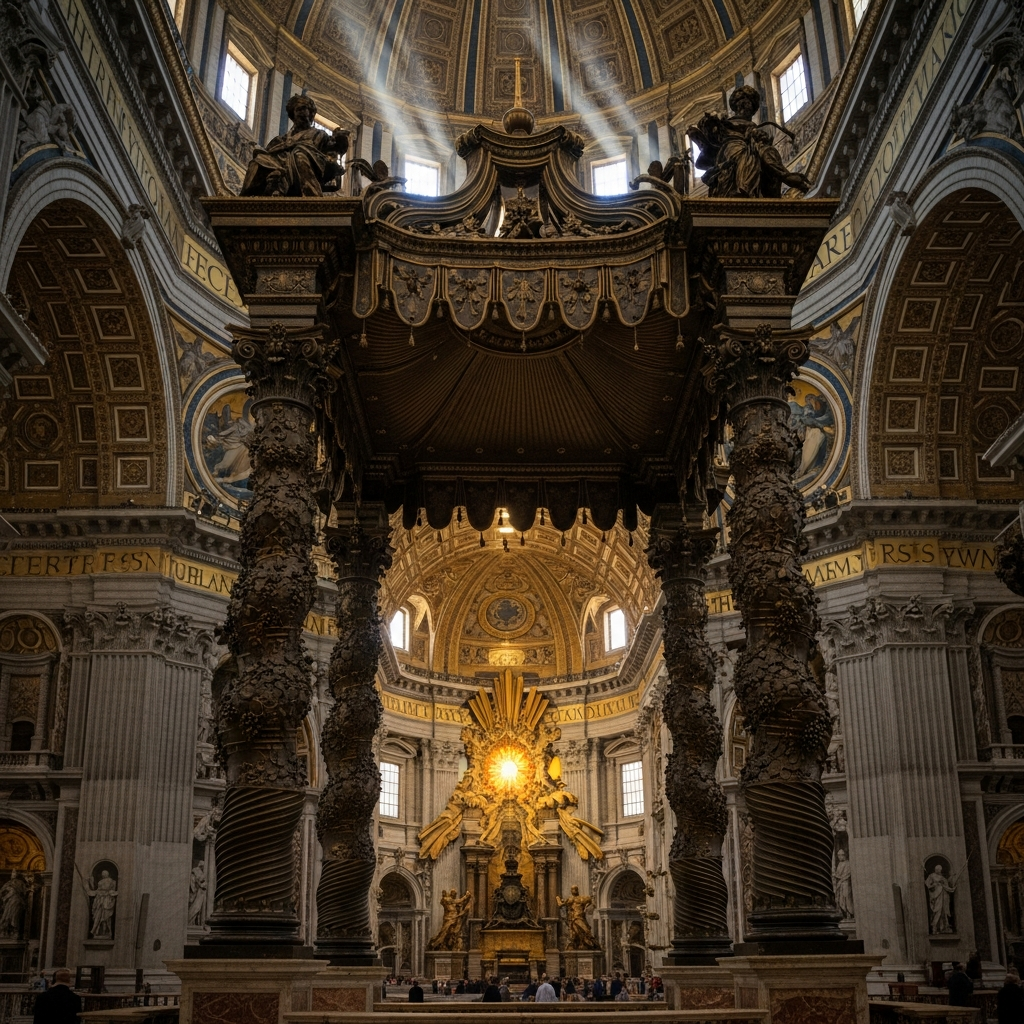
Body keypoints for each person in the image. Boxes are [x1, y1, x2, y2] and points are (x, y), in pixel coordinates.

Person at [241, 94, 348, 197]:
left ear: (310, 113)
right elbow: (270, 151)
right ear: (293, 114)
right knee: (257, 161)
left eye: (304, 109)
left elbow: (335, 149)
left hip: (310, 162)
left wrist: (341, 139)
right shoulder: (282, 139)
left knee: (299, 153)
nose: (301, 113)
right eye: (298, 110)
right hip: (281, 162)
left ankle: (311, 196)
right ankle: (244, 201)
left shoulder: (320, 134)